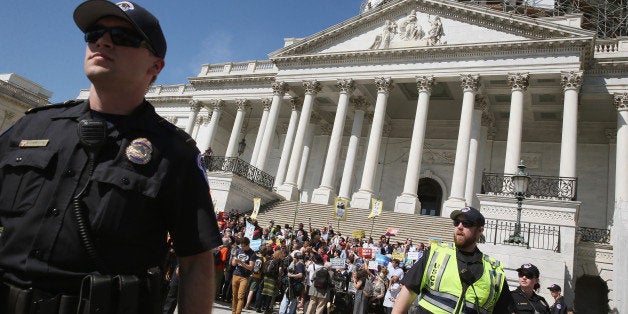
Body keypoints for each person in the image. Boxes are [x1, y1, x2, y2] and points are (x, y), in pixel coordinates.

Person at [0, 1, 221, 313]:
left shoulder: (175, 154)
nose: (103, 42)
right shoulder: (32, 125)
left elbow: (196, 261)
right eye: (95, 33)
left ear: (155, 66)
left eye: (123, 37)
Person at [392, 206, 514, 313]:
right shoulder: (435, 253)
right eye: (457, 222)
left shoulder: (494, 271)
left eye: (467, 223)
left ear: (480, 230)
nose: (460, 227)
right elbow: (407, 291)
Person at [231, 237, 257, 314]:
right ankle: (233, 312)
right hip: (236, 274)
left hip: (244, 277)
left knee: (240, 296)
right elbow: (233, 264)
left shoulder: (252, 253)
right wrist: (235, 261)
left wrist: (241, 262)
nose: (242, 248)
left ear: (247, 245)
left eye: (243, 246)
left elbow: (250, 267)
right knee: (234, 296)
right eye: (241, 246)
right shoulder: (238, 250)